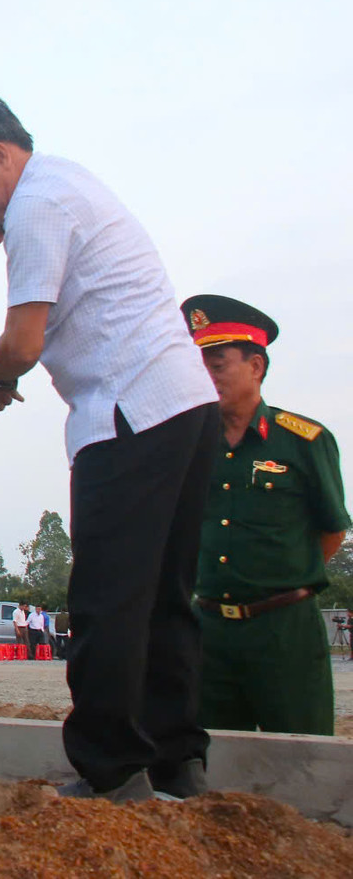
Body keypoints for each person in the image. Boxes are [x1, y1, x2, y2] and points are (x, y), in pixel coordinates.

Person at [0, 96, 219, 803]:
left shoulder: (38, 211)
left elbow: (22, 342)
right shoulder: (59, 181)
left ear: (0, 154)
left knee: (109, 597)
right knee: (168, 597)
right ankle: (179, 763)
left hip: (129, 414)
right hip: (185, 405)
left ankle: (112, 771)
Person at [181, 294, 350, 737]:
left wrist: (281, 578)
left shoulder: (303, 440)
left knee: (299, 758)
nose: (207, 377)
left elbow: (332, 529)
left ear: (255, 366)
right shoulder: (192, 445)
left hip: (284, 630)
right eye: (200, 366)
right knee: (214, 761)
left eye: (217, 365)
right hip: (211, 629)